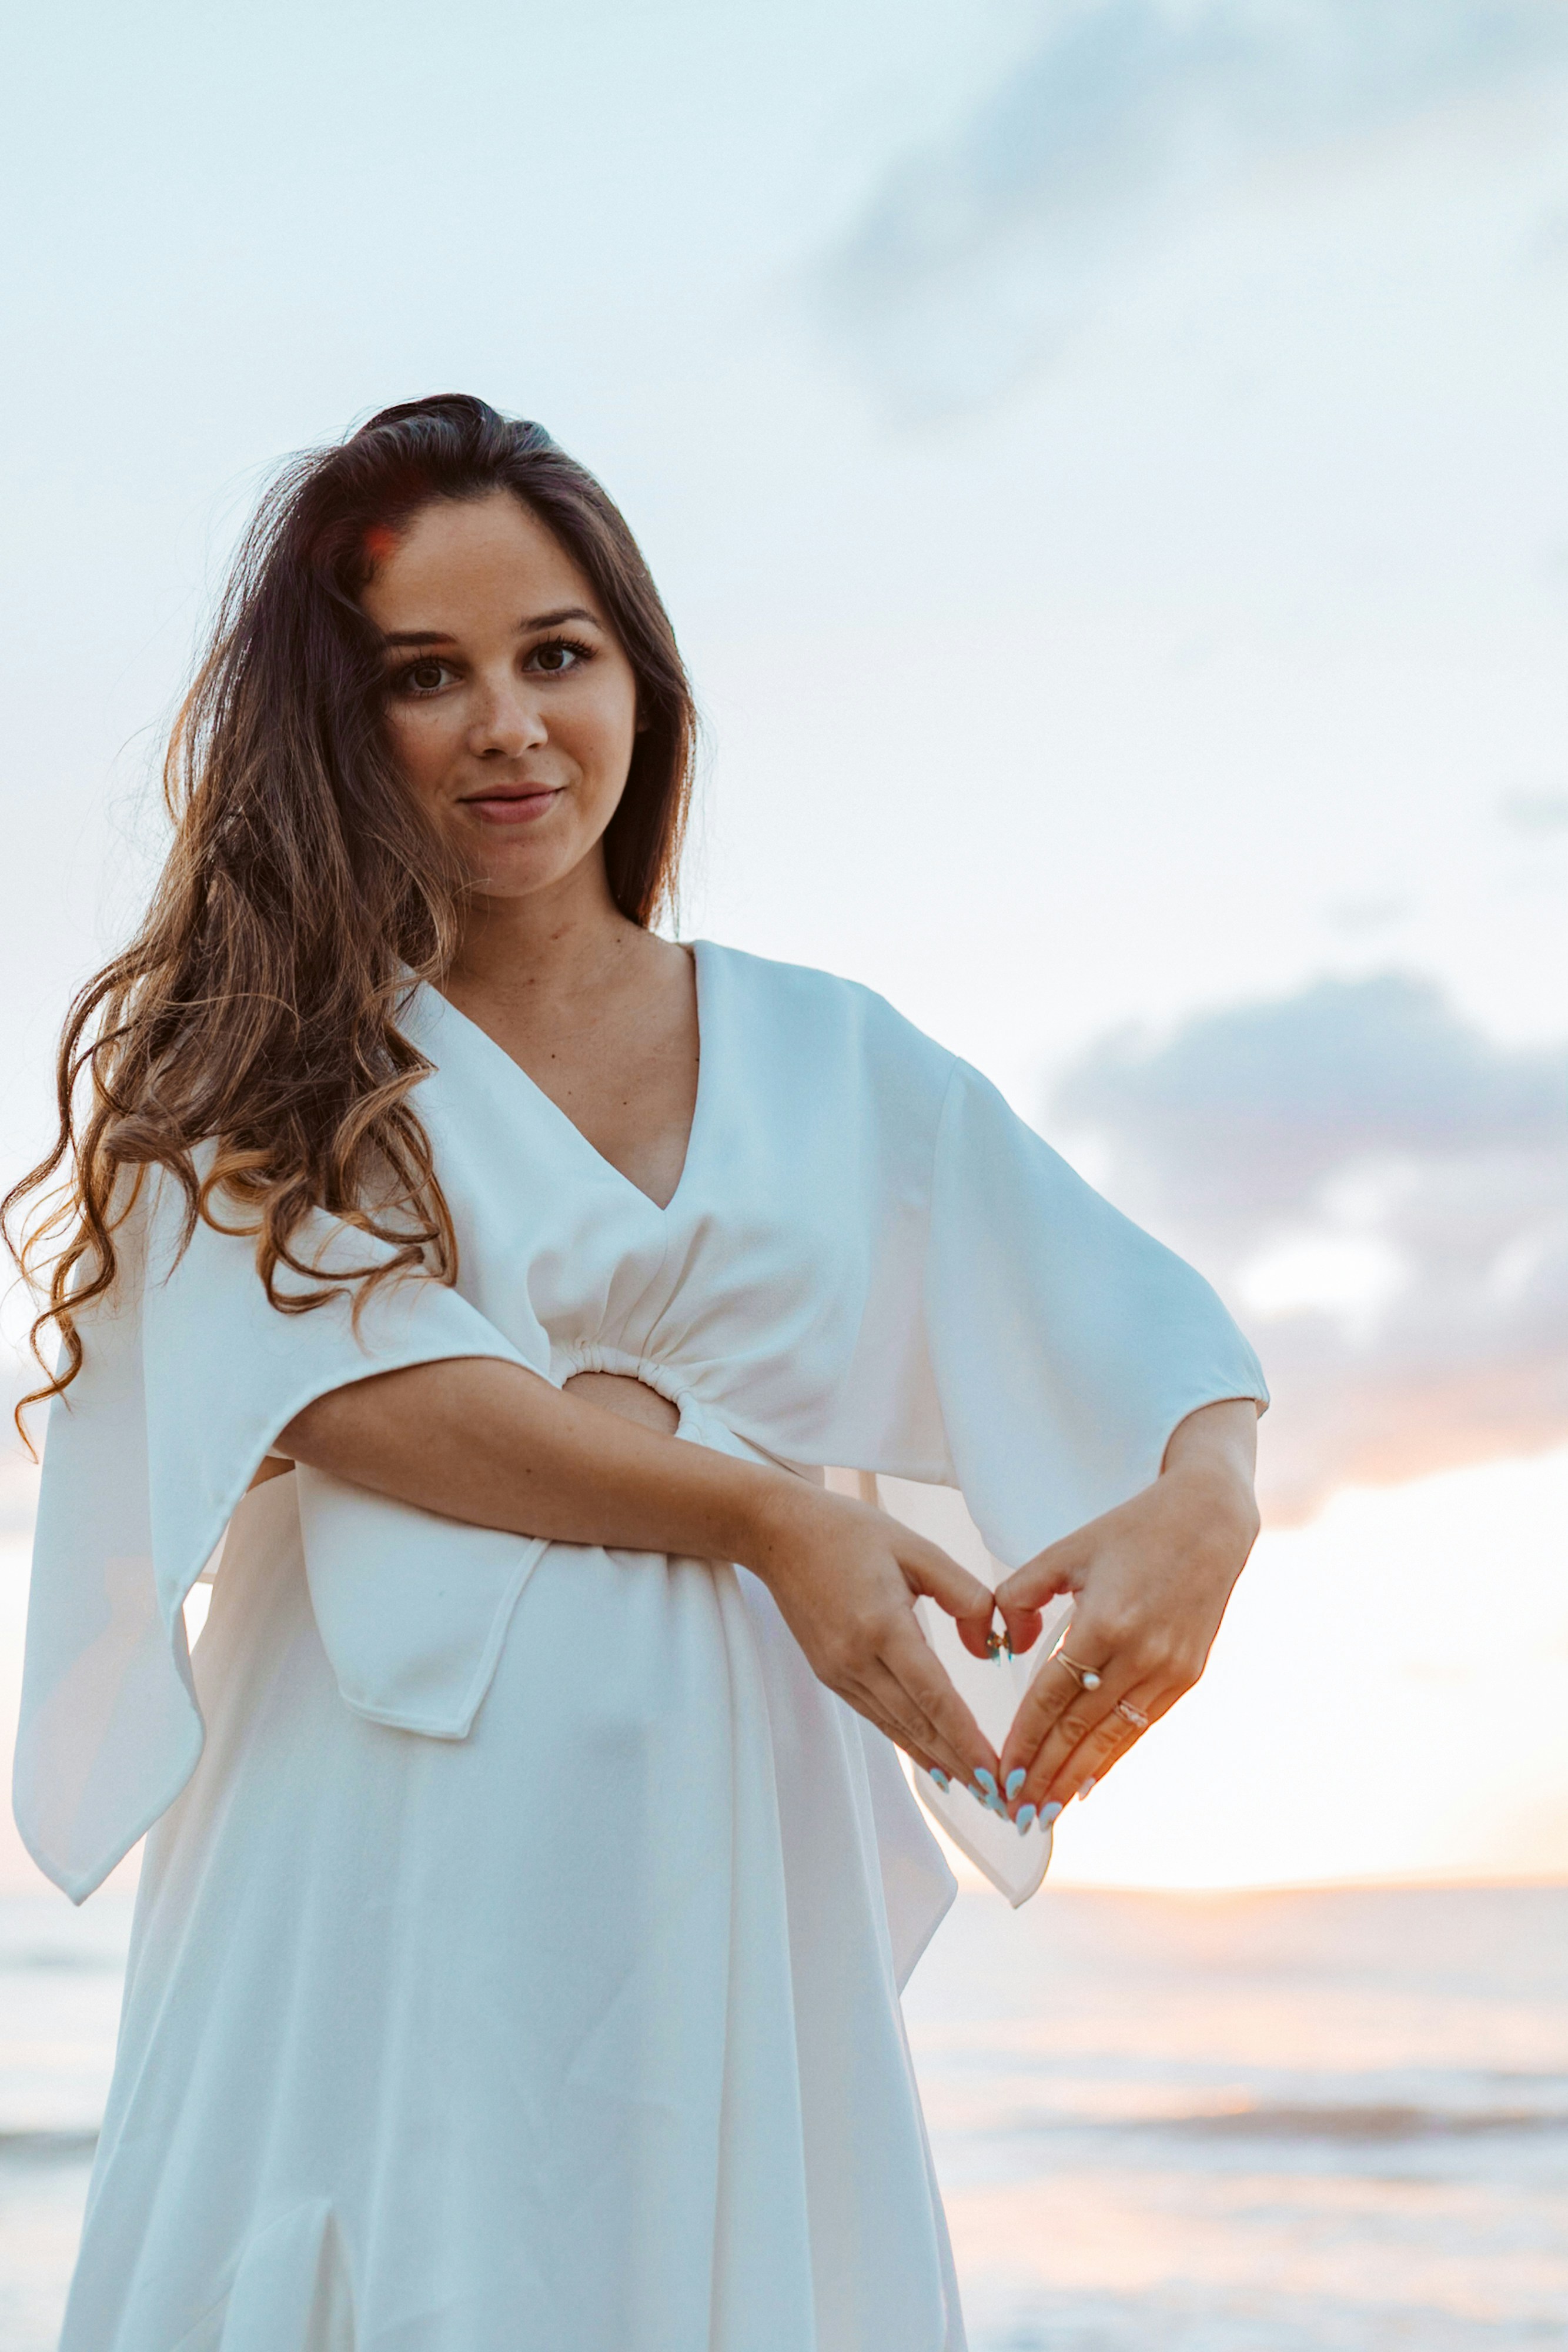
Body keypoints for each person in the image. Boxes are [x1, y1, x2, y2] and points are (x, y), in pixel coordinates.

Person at [8, 395, 1266, 2352]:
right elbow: (366, 1397)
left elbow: (1137, 1323)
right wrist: (768, 1513)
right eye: (427, 676)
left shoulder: (829, 1057)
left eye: (556, 654)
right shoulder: (266, 1061)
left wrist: (1206, 1504)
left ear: (638, 684)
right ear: (341, 729)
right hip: (373, 1842)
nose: (507, 724)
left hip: (711, 1854)